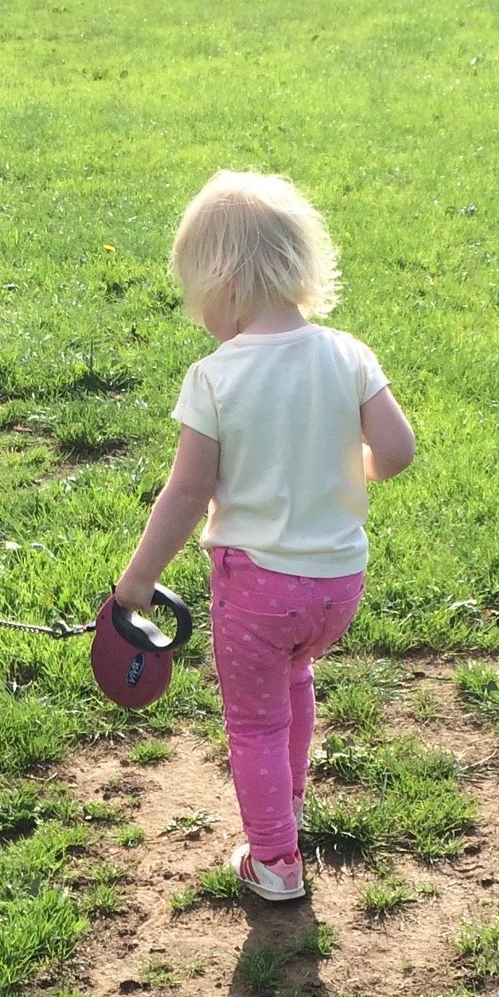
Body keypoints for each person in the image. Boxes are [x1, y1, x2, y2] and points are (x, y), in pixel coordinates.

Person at [113, 171, 415, 902]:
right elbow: (398, 452)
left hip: (256, 591)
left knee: (252, 721)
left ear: (224, 284)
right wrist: (350, 468)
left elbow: (187, 494)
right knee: (297, 678)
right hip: (337, 587)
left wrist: (136, 583)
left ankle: (275, 860)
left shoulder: (215, 377)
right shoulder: (348, 354)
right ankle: (292, 803)